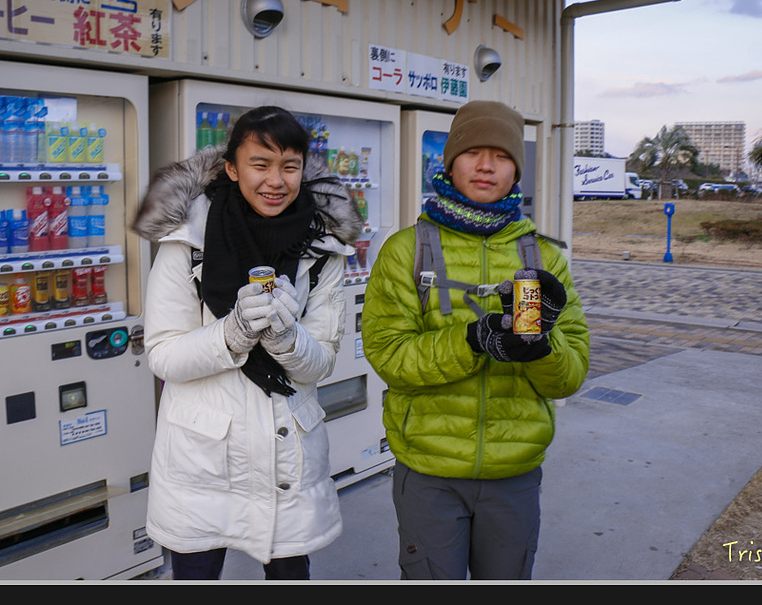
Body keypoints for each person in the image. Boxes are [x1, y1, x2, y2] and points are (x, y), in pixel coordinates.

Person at [361, 100, 589, 580]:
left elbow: (569, 378)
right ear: (450, 161)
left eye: (502, 155)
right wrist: (473, 340)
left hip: (515, 471)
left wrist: (542, 349)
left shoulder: (544, 257)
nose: (487, 165)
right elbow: (389, 355)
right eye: (473, 152)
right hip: (428, 470)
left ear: (516, 170)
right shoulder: (407, 250)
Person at [132, 105, 363, 580]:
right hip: (202, 460)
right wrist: (231, 333)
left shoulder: (323, 251)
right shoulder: (187, 243)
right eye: (260, 165)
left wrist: (286, 338)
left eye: (289, 166)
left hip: (286, 456)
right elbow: (163, 355)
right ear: (233, 169)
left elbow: (319, 364)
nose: (275, 180)